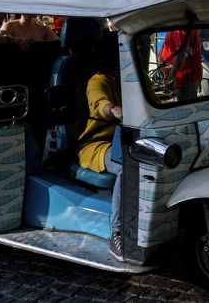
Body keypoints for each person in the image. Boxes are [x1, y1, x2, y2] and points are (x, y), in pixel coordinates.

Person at [79, 35, 124, 260]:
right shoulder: (98, 81)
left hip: (125, 140)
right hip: (97, 144)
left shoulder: (130, 78)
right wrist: (114, 109)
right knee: (129, 166)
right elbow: (98, 103)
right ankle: (117, 232)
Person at [160, 29, 202, 100]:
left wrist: (171, 78)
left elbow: (181, 53)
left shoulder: (179, 29)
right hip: (182, 78)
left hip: (183, 78)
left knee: (186, 107)